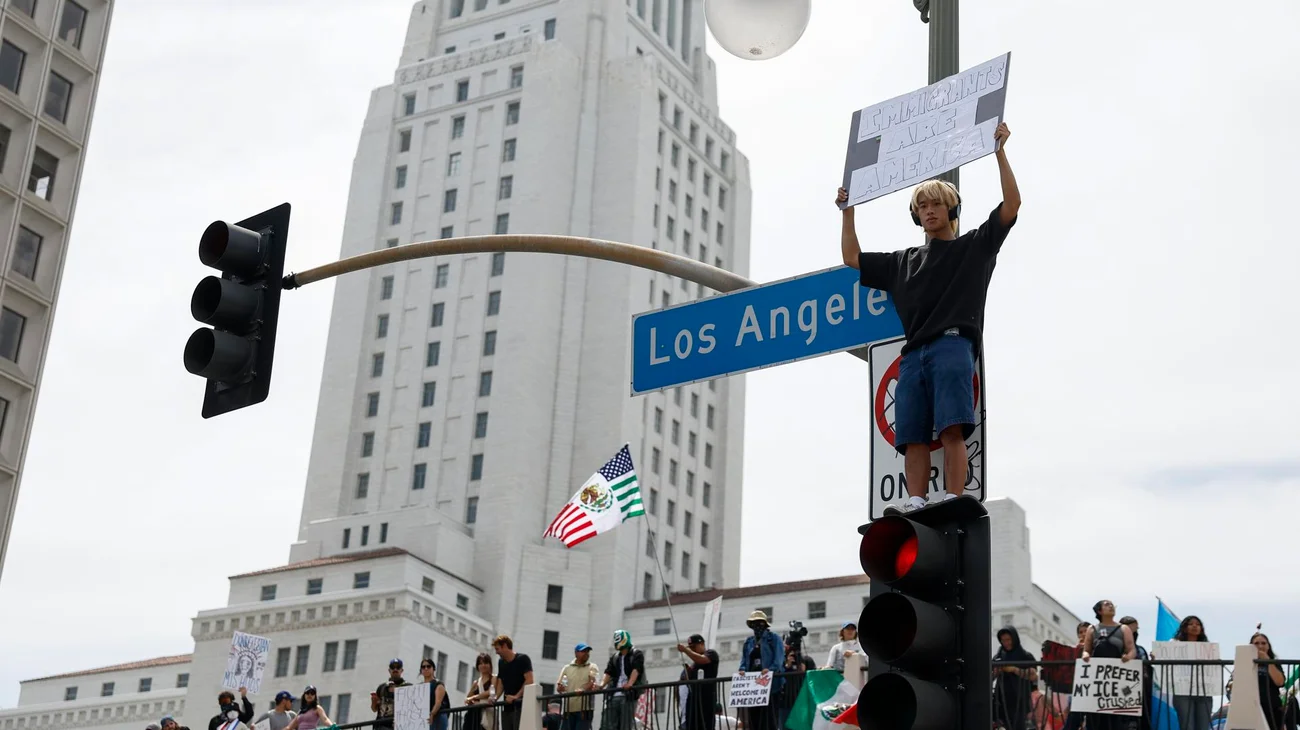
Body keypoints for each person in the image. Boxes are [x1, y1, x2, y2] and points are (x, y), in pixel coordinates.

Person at [836, 122, 1020, 513]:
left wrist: (1000, 153)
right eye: (922, 206)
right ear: (915, 215)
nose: (929, 210)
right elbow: (852, 257)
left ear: (952, 210)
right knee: (911, 437)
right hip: (912, 356)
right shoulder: (902, 261)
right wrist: (847, 212)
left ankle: (954, 497)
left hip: (953, 345)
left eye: (936, 204)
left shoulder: (974, 247)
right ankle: (915, 501)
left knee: (952, 428)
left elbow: (1011, 206)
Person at [1082, 600, 1137, 730]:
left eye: (1112, 604)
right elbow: (1086, 649)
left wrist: (1128, 657)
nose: (1111, 606)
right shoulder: (1092, 629)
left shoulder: (1124, 629)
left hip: (1117, 677)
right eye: (1107, 605)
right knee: (1095, 716)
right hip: (1097, 678)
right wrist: (1085, 655)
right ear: (1099, 611)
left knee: (1115, 716)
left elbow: (1132, 650)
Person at [737, 611, 784, 730]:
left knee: (769, 718)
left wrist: (770, 670)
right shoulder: (749, 642)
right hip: (753, 687)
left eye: (760, 623)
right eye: (754, 623)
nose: (757, 626)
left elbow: (779, 660)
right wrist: (742, 670)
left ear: (765, 624)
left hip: (771, 685)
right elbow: (744, 660)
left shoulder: (773, 638)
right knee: (754, 719)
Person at [1171, 616, 1213, 730]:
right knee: (1187, 725)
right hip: (1182, 691)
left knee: (1203, 726)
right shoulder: (1174, 644)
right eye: (1191, 624)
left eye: (1198, 624)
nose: (1195, 626)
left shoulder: (1208, 647)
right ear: (1184, 627)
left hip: (1203, 690)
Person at [597, 630, 645, 730]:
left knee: (625, 725)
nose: (622, 650)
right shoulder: (615, 657)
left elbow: (636, 669)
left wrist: (630, 683)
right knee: (607, 725)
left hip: (629, 695)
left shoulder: (636, 654)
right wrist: (601, 685)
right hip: (613, 694)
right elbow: (608, 672)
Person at [993, 626, 1037, 730]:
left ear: (1014, 639)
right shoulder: (998, 656)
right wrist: (996, 672)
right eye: (1003, 640)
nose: (1006, 643)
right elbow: (989, 676)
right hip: (1001, 700)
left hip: (1019, 700)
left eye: (1008, 640)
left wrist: (1014, 669)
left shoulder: (1025, 656)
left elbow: (1033, 676)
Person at [677, 634, 720, 730]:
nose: (692, 650)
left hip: (706, 698)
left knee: (706, 725)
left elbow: (702, 660)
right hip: (693, 700)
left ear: (702, 644)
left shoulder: (711, 654)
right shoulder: (694, 664)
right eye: (690, 648)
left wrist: (685, 650)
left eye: (694, 647)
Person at [493, 635, 535, 730]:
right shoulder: (501, 662)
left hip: (521, 707)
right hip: (507, 708)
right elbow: (501, 682)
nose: (496, 652)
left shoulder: (523, 659)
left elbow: (529, 680)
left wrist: (516, 696)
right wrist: (495, 698)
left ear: (504, 646)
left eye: (497, 649)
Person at [556, 643, 599, 730]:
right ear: (576, 653)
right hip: (568, 709)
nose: (586, 653)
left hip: (585, 709)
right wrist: (560, 688)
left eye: (587, 651)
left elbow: (593, 682)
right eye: (583, 651)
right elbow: (562, 685)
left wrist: (583, 689)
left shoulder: (592, 667)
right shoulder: (567, 668)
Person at [1251, 631, 1286, 730]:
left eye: (1263, 643)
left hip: (1272, 708)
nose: (1260, 646)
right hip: (1251, 707)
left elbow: (1280, 682)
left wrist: (1267, 660)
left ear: (1268, 646)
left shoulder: (1274, 663)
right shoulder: (1245, 662)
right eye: (1256, 643)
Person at [372, 658, 410, 730]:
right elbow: (374, 709)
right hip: (380, 726)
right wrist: (374, 701)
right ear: (389, 670)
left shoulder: (408, 687)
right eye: (393, 667)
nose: (395, 669)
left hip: (400, 726)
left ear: (402, 670)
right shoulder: (382, 687)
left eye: (398, 667)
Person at [465, 652, 499, 730]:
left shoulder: (493, 678)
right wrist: (471, 700)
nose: (483, 665)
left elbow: (490, 692)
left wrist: (474, 697)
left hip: (487, 712)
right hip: (474, 715)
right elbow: (468, 698)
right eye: (480, 663)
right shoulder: (476, 682)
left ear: (490, 664)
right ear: (477, 666)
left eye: (486, 663)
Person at [418, 659, 452, 730]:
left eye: (428, 666)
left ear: (433, 669)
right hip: (423, 719)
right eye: (423, 667)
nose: (426, 668)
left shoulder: (438, 684)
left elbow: (438, 703)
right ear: (421, 670)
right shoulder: (419, 687)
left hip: (437, 717)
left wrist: (432, 714)